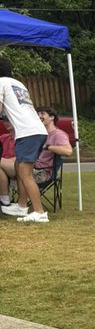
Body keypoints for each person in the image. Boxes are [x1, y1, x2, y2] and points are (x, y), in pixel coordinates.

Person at [0, 58, 49, 223]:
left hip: (28, 132)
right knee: (18, 166)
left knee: (25, 173)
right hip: (34, 130)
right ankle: (21, 206)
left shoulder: (1, 83)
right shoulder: (18, 84)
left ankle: (39, 212)